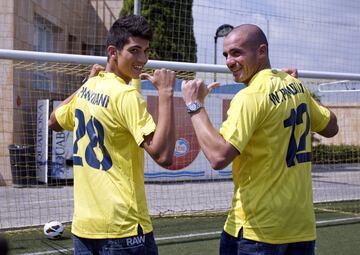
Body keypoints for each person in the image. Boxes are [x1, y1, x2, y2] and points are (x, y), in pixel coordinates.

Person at [181, 24, 338, 255]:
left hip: (257, 230)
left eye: (237, 52)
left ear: (261, 51)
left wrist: (195, 106)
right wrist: (298, 88)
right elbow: (332, 126)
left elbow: (218, 156)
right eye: (226, 55)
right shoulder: (295, 87)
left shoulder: (249, 97)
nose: (229, 61)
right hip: (300, 228)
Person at [48, 15, 176, 254]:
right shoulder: (126, 95)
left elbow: (53, 120)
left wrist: (85, 84)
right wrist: (166, 93)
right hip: (123, 227)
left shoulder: (89, 88)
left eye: (146, 51)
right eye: (134, 51)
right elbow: (164, 156)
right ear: (113, 52)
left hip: (84, 227)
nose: (142, 60)